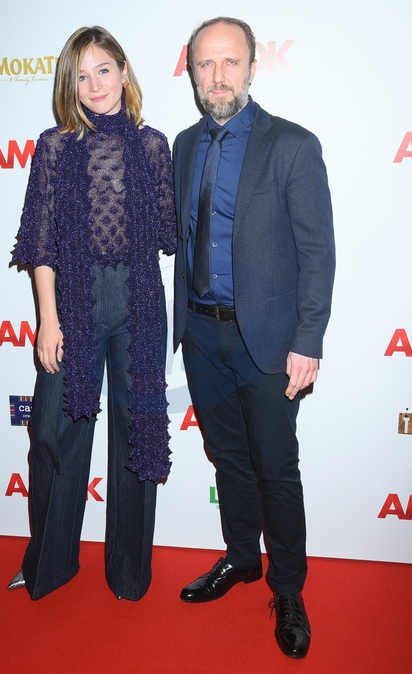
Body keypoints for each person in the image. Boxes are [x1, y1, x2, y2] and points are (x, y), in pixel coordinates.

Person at [173, 17, 335, 659]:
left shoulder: (292, 145)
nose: (218, 77)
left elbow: (316, 250)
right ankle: (241, 558)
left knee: (276, 468)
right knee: (228, 460)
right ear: (192, 72)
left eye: (230, 62)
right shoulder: (184, 145)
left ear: (252, 66)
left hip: (266, 342)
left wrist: (308, 338)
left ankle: (288, 588)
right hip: (201, 335)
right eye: (205, 65)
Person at [8, 25, 176, 601]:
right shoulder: (54, 147)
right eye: (81, 76)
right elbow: (41, 244)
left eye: (103, 70)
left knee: (137, 432)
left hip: (140, 301)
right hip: (74, 302)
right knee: (55, 433)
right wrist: (48, 320)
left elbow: (165, 237)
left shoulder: (153, 147)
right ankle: (49, 565)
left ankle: (128, 573)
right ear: (69, 85)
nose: (94, 84)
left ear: (124, 73)